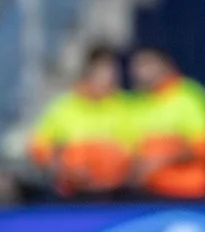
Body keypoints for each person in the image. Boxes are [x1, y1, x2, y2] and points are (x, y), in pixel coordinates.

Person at [28, 48, 133, 198]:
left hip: (118, 193)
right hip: (72, 193)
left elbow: (139, 149)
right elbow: (39, 146)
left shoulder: (126, 105)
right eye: (102, 72)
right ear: (88, 73)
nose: (109, 78)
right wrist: (65, 169)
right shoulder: (63, 107)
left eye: (112, 72)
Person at [126, 47, 205, 199]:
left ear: (165, 64)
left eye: (147, 64)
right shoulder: (135, 103)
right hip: (147, 196)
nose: (140, 71)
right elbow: (130, 152)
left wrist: (163, 159)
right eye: (137, 66)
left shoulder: (190, 97)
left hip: (189, 195)